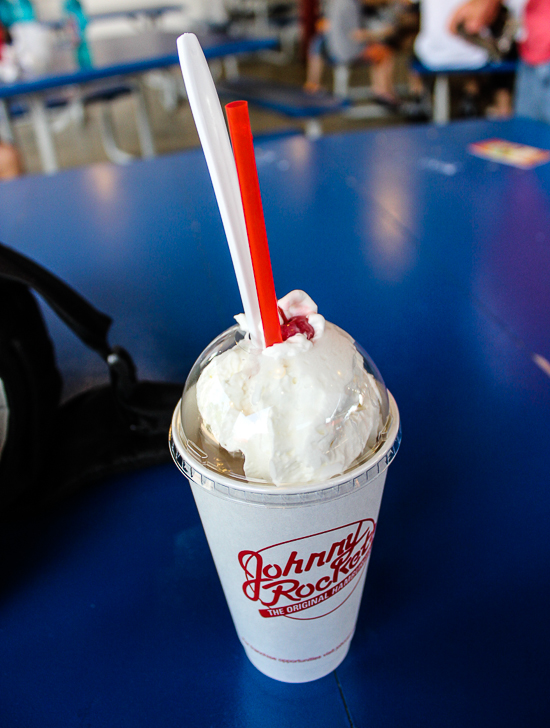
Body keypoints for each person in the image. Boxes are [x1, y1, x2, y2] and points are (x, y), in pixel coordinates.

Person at [449, 0, 550, 123]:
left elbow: (469, 24)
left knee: (528, 130)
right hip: (531, 53)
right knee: (526, 130)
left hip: (542, 55)